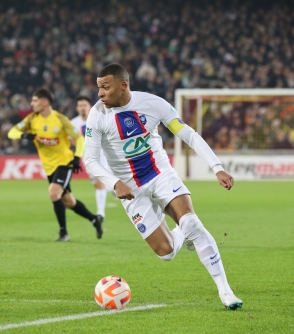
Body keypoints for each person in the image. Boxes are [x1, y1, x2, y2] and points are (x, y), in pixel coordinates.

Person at [83, 64, 243, 310]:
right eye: (98, 88)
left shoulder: (152, 103)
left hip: (160, 174)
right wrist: (115, 182)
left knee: (192, 222)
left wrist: (217, 167)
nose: (100, 93)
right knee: (166, 252)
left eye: (105, 87)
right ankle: (182, 235)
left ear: (123, 85)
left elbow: (187, 133)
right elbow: (90, 160)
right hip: (131, 189)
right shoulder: (97, 116)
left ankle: (226, 291)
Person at [7, 88, 103, 242]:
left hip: (64, 163)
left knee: (53, 193)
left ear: (45, 103)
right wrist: (23, 134)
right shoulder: (32, 119)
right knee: (69, 201)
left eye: (35, 100)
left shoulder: (60, 119)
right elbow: (11, 132)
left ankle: (64, 233)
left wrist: (77, 157)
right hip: (49, 167)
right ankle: (94, 219)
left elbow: (78, 139)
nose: (32, 104)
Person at [70, 96, 111, 219]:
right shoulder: (74, 123)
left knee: (99, 183)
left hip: (102, 155)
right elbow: (71, 140)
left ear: (90, 107)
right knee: (98, 184)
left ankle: (100, 213)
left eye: (85, 105)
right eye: (80, 105)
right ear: (77, 108)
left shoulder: (98, 118)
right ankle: (113, 189)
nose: (82, 108)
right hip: (86, 156)